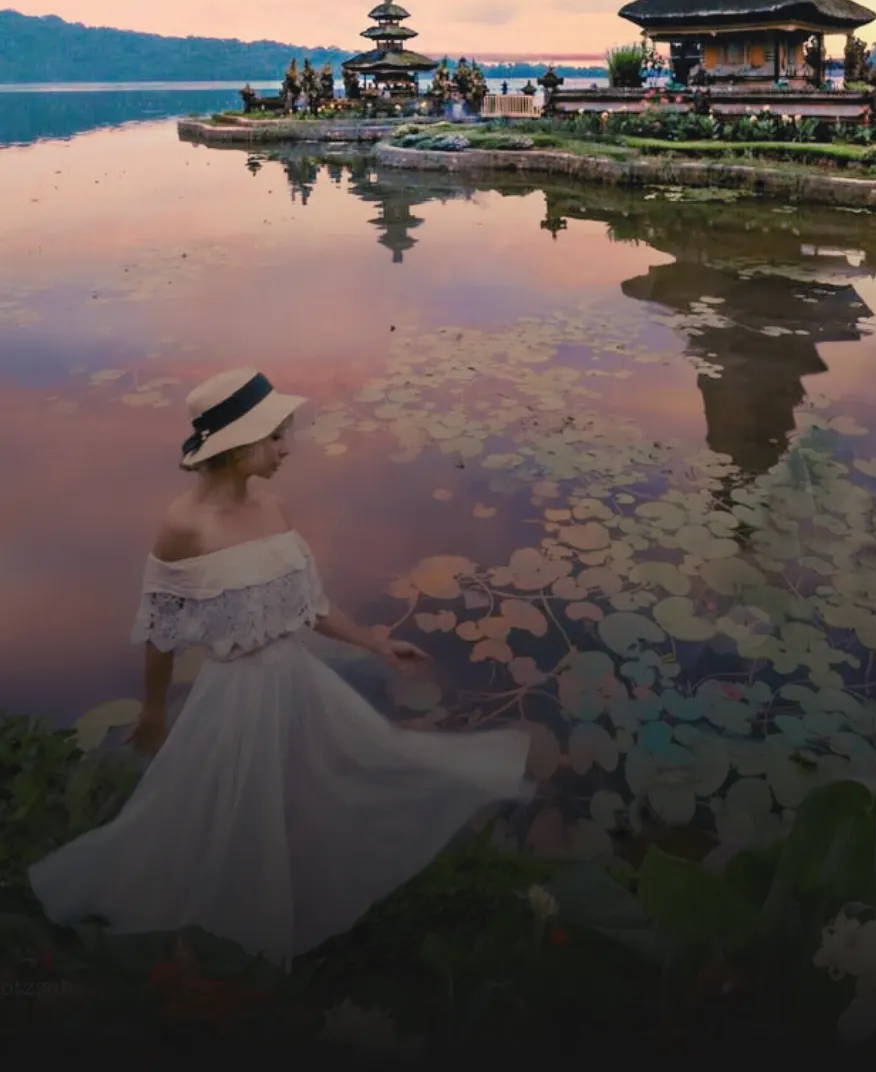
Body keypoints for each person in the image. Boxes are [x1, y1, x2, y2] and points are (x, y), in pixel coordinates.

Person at [29, 370, 532, 969]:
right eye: (277, 437)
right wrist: (155, 711)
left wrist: (375, 645)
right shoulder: (185, 527)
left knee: (334, 777)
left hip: (296, 679)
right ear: (240, 445)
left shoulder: (273, 505)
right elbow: (161, 634)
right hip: (235, 694)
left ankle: (293, 878)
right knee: (225, 805)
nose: (287, 448)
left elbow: (309, 606)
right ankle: (241, 929)